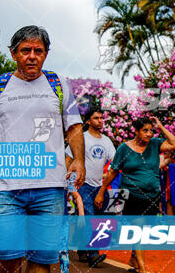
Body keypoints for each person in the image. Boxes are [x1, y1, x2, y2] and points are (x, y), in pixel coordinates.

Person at [0, 25, 86, 273]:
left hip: (50, 189)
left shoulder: (59, 84)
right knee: (6, 258)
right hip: (7, 189)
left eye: (39, 51)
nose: (32, 56)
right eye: (26, 50)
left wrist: (79, 160)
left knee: (41, 261)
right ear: (13, 54)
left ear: (46, 54)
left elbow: (74, 126)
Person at [95, 116, 175, 273]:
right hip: (132, 195)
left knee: (143, 231)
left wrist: (160, 126)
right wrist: (101, 192)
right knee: (139, 229)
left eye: (150, 130)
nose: (149, 134)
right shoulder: (124, 149)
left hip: (153, 196)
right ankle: (142, 268)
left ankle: (134, 257)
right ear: (136, 131)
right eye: (145, 130)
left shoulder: (155, 144)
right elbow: (112, 172)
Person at [66, 107, 115, 267]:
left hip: (99, 186)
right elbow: (68, 161)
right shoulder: (81, 138)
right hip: (83, 184)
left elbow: (114, 162)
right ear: (88, 121)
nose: (100, 120)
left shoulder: (106, 141)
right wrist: (68, 186)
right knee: (89, 218)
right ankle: (94, 254)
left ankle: (81, 250)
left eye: (101, 118)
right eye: (96, 118)